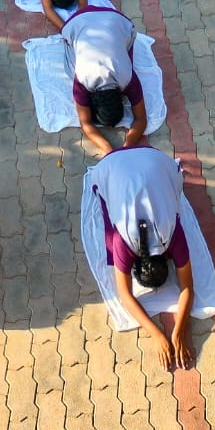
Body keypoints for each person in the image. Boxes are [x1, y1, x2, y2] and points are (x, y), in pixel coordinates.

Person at [86, 146, 197, 369]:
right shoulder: (124, 243)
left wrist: (176, 333)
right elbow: (126, 295)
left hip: (153, 156)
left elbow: (186, 288)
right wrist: (162, 334)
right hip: (124, 161)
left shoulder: (171, 236)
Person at [63, 7, 148, 155]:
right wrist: (113, 150)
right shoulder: (82, 81)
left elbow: (141, 120)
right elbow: (86, 123)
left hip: (110, 19)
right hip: (87, 20)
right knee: (71, 65)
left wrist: (119, 150)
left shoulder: (128, 79)